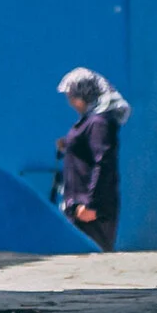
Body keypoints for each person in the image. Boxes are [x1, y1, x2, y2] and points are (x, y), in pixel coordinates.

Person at [56, 67, 129, 250]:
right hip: (80, 207)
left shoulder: (99, 122)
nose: (70, 101)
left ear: (85, 94)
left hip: (90, 212)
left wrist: (92, 205)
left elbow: (103, 162)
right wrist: (68, 144)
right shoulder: (90, 120)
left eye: (73, 95)